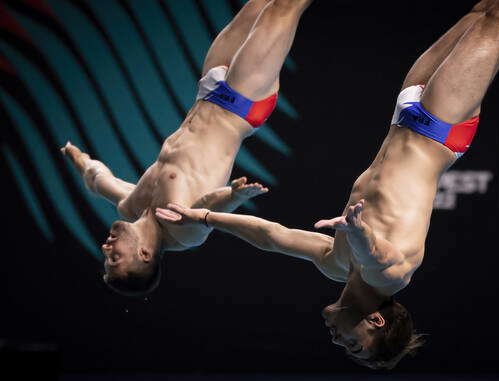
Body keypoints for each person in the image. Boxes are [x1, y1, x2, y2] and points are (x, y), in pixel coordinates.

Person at [155, 0, 499, 368]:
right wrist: (357, 231)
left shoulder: (335, 264)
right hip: (440, 127)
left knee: (483, 10)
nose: (338, 341)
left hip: (406, 116)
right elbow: (378, 253)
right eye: (353, 343)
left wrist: (205, 215)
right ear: (375, 322)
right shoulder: (390, 277)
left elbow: (271, 236)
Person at [60, 0, 314, 296]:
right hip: (242, 104)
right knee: (283, 7)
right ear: (144, 254)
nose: (106, 248)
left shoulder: (131, 206)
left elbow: (99, 181)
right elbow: (208, 207)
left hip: (208, 91)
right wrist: (234, 195)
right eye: (114, 258)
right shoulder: (183, 232)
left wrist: (79, 159)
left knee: (257, 4)